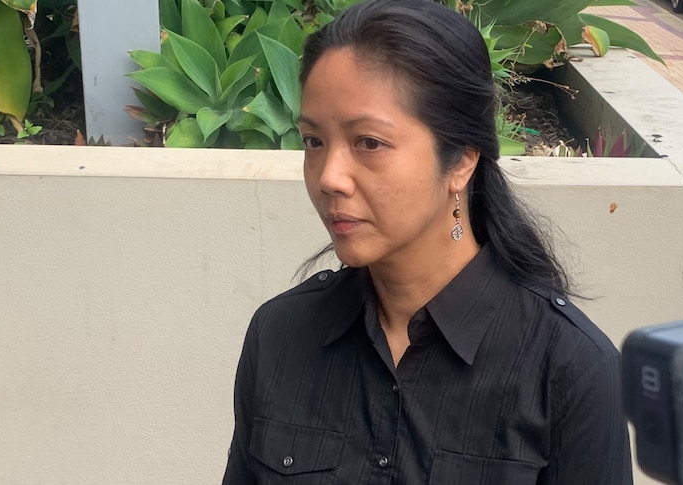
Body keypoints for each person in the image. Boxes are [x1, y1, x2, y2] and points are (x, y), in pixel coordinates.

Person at [222, 0, 632, 483]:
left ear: (460, 160)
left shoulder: (568, 370)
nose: (329, 177)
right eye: (314, 141)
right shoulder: (281, 335)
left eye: (368, 142)